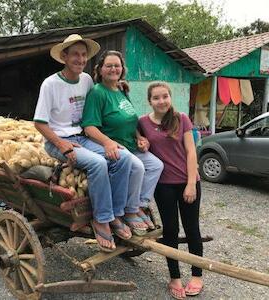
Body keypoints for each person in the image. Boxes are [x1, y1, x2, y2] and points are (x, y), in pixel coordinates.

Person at [33, 34, 135, 252]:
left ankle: (116, 214)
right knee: (98, 163)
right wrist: (61, 144)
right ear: (64, 57)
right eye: (75, 55)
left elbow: (104, 92)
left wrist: (120, 85)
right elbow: (39, 124)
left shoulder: (87, 80)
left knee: (123, 157)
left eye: (83, 55)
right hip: (59, 141)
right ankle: (101, 219)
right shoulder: (50, 84)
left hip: (82, 138)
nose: (80, 59)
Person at [82, 50, 163, 235]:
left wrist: (139, 137)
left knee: (156, 165)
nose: (113, 69)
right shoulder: (97, 93)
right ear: (100, 70)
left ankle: (139, 204)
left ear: (122, 69)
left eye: (117, 65)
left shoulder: (121, 90)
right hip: (113, 146)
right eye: (108, 65)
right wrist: (107, 143)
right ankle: (128, 211)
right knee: (138, 167)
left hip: (131, 144)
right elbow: (89, 127)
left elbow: (128, 119)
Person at [138, 82, 203, 300]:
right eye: (156, 98)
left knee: (192, 228)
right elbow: (141, 145)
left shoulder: (181, 118)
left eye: (165, 96)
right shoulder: (143, 123)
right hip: (163, 185)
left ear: (170, 97)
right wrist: (142, 143)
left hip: (188, 181)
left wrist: (191, 183)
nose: (162, 101)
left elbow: (191, 151)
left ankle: (196, 275)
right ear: (150, 101)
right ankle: (174, 277)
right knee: (170, 231)